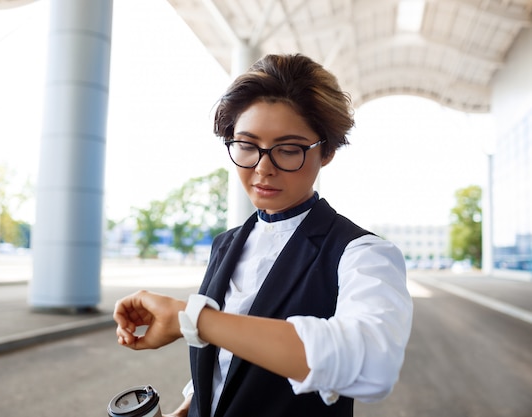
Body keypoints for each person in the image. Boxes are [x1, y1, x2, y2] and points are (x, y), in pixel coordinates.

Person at [114, 53, 413, 417]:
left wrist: (191, 317)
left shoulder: (362, 254)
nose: (263, 168)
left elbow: (371, 364)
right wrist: (187, 410)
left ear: (327, 152)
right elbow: (228, 366)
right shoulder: (226, 244)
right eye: (246, 145)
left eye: (289, 150)